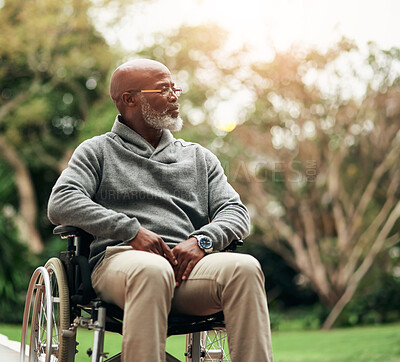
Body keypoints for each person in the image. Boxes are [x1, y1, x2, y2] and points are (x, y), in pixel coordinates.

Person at [48, 59, 273, 362]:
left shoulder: (198, 158)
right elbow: (61, 201)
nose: (173, 96)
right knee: (152, 270)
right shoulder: (97, 151)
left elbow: (235, 211)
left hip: (186, 267)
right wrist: (132, 231)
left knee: (244, 268)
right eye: (163, 88)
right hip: (121, 264)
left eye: (174, 88)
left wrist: (201, 242)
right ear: (130, 99)